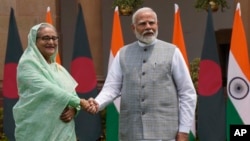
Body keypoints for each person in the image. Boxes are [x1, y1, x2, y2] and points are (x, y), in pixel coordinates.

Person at [87, 7, 197, 141]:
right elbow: (112, 87)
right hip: (132, 133)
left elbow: (187, 93)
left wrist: (184, 131)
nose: (148, 27)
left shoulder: (172, 52)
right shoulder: (123, 54)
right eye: (143, 24)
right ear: (133, 28)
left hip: (165, 134)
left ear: (157, 25)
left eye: (152, 23)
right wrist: (97, 103)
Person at [13, 23, 88, 141]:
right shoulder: (27, 64)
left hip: (64, 132)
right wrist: (79, 102)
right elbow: (47, 89)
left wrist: (75, 109)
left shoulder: (58, 68)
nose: (51, 42)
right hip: (37, 132)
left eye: (54, 38)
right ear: (34, 41)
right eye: (45, 38)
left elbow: (71, 93)